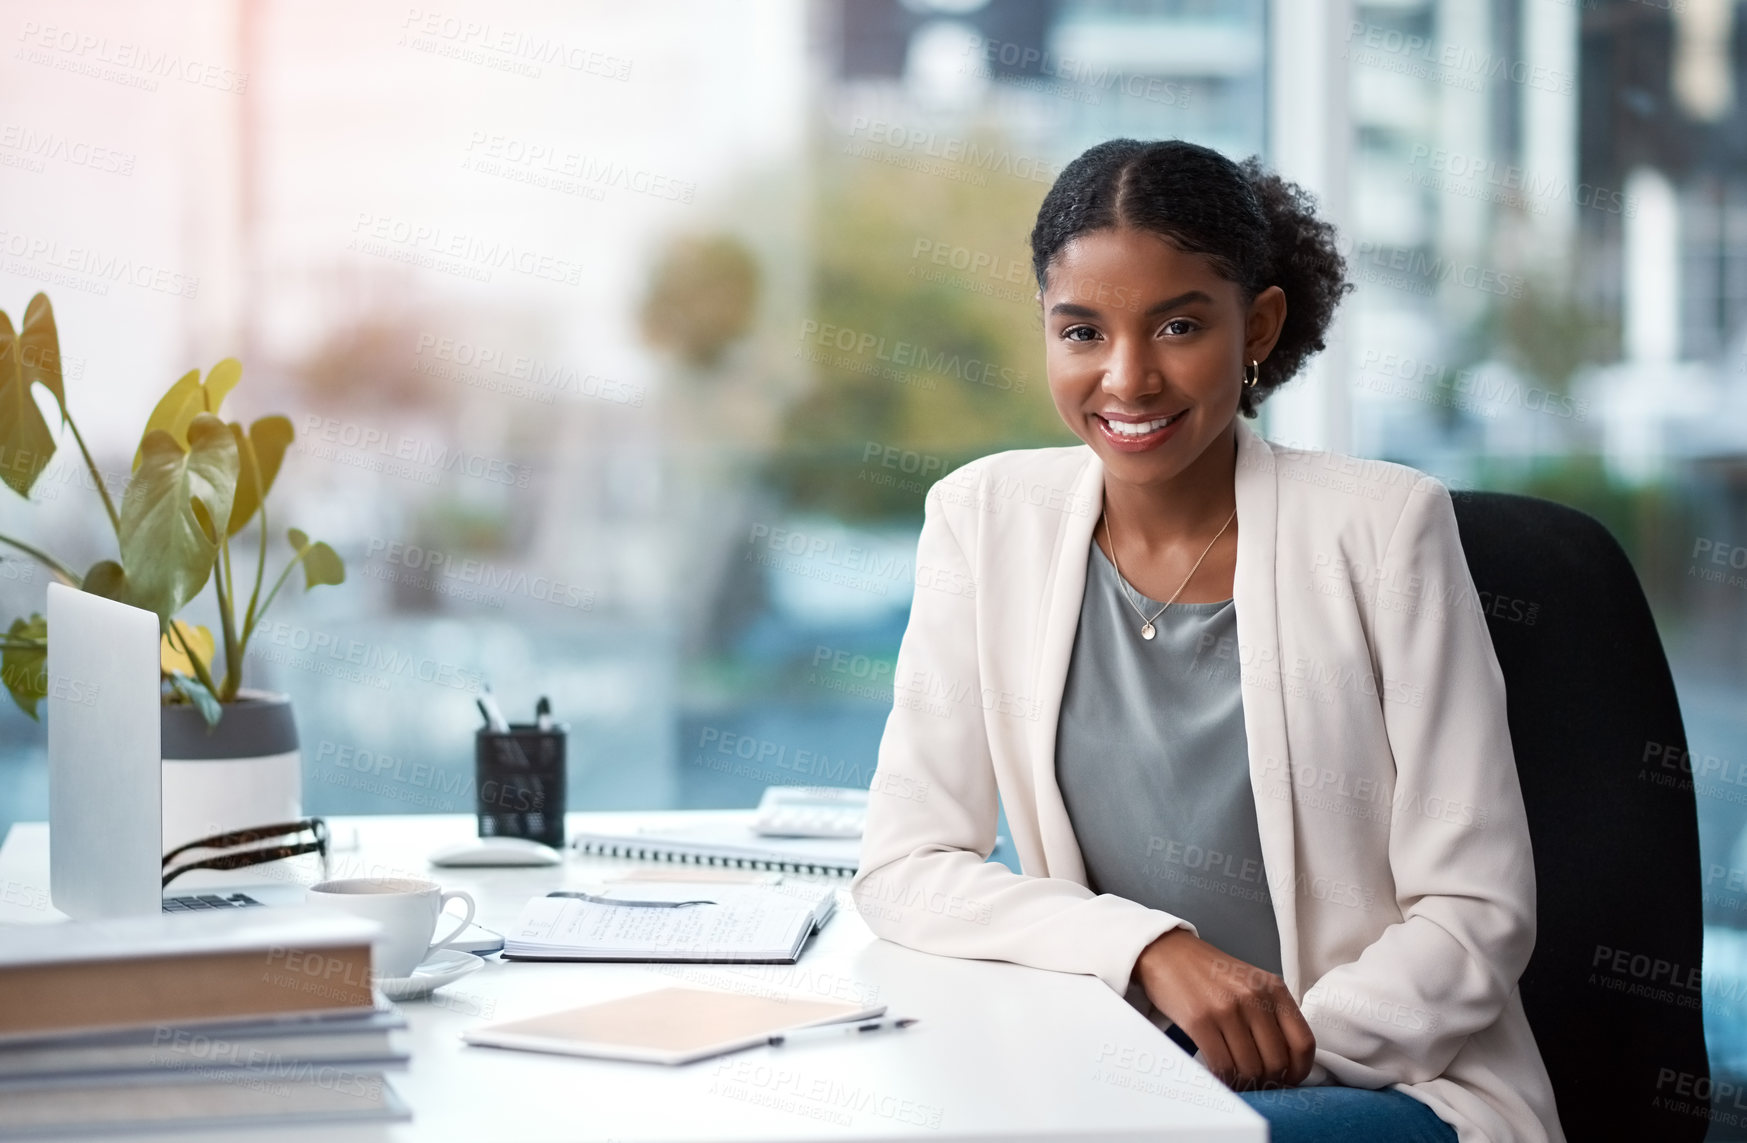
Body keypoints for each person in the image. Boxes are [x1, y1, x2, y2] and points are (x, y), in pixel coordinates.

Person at [850, 138, 1566, 1143]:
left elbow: (1473, 910)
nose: (1126, 378)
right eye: (1081, 331)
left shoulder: (1384, 528)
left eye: (1178, 325)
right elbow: (906, 864)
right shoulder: (982, 518)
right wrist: (1149, 951)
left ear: (1256, 327)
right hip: (1112, 1074)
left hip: (1378, 1079)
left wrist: (1275, 1054)